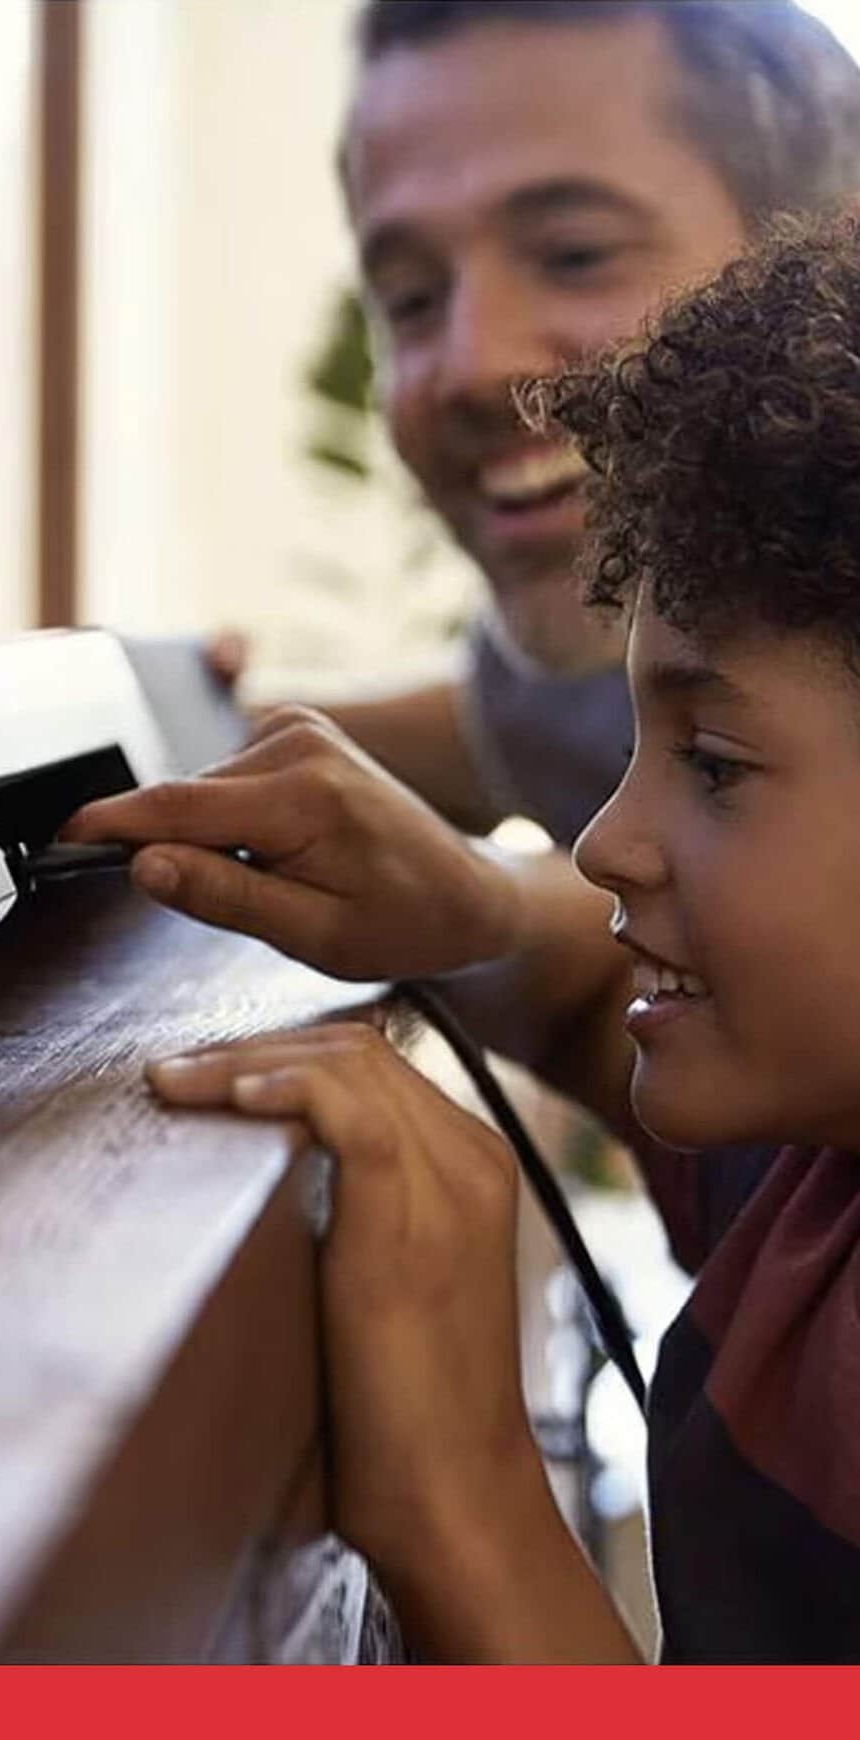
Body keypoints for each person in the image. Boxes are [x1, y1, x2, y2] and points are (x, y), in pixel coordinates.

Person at [150, 212, 860, 1662]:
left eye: (713, 762)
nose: (600, 840)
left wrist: (461, 1502)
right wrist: (463, 907)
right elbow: (584, 980)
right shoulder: (809, 1168)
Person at [71, 0, 860, 1243]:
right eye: (408, 295)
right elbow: (473, 730)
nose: (469, 363)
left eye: (574, 253)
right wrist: (140, 720)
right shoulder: (554, 676)